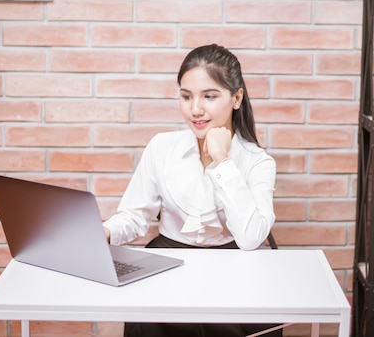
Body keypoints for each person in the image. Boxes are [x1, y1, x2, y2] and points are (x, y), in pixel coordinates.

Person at [102, 44, 282, 337]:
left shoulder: (258, 162)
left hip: (233, 268)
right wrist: (104, 233)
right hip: (167, 262)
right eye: (186, 97)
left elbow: (250, 238)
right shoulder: (162, 146)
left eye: (209, 96)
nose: (195, 109)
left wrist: (223, 161)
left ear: (236, 98)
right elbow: (135, 216)